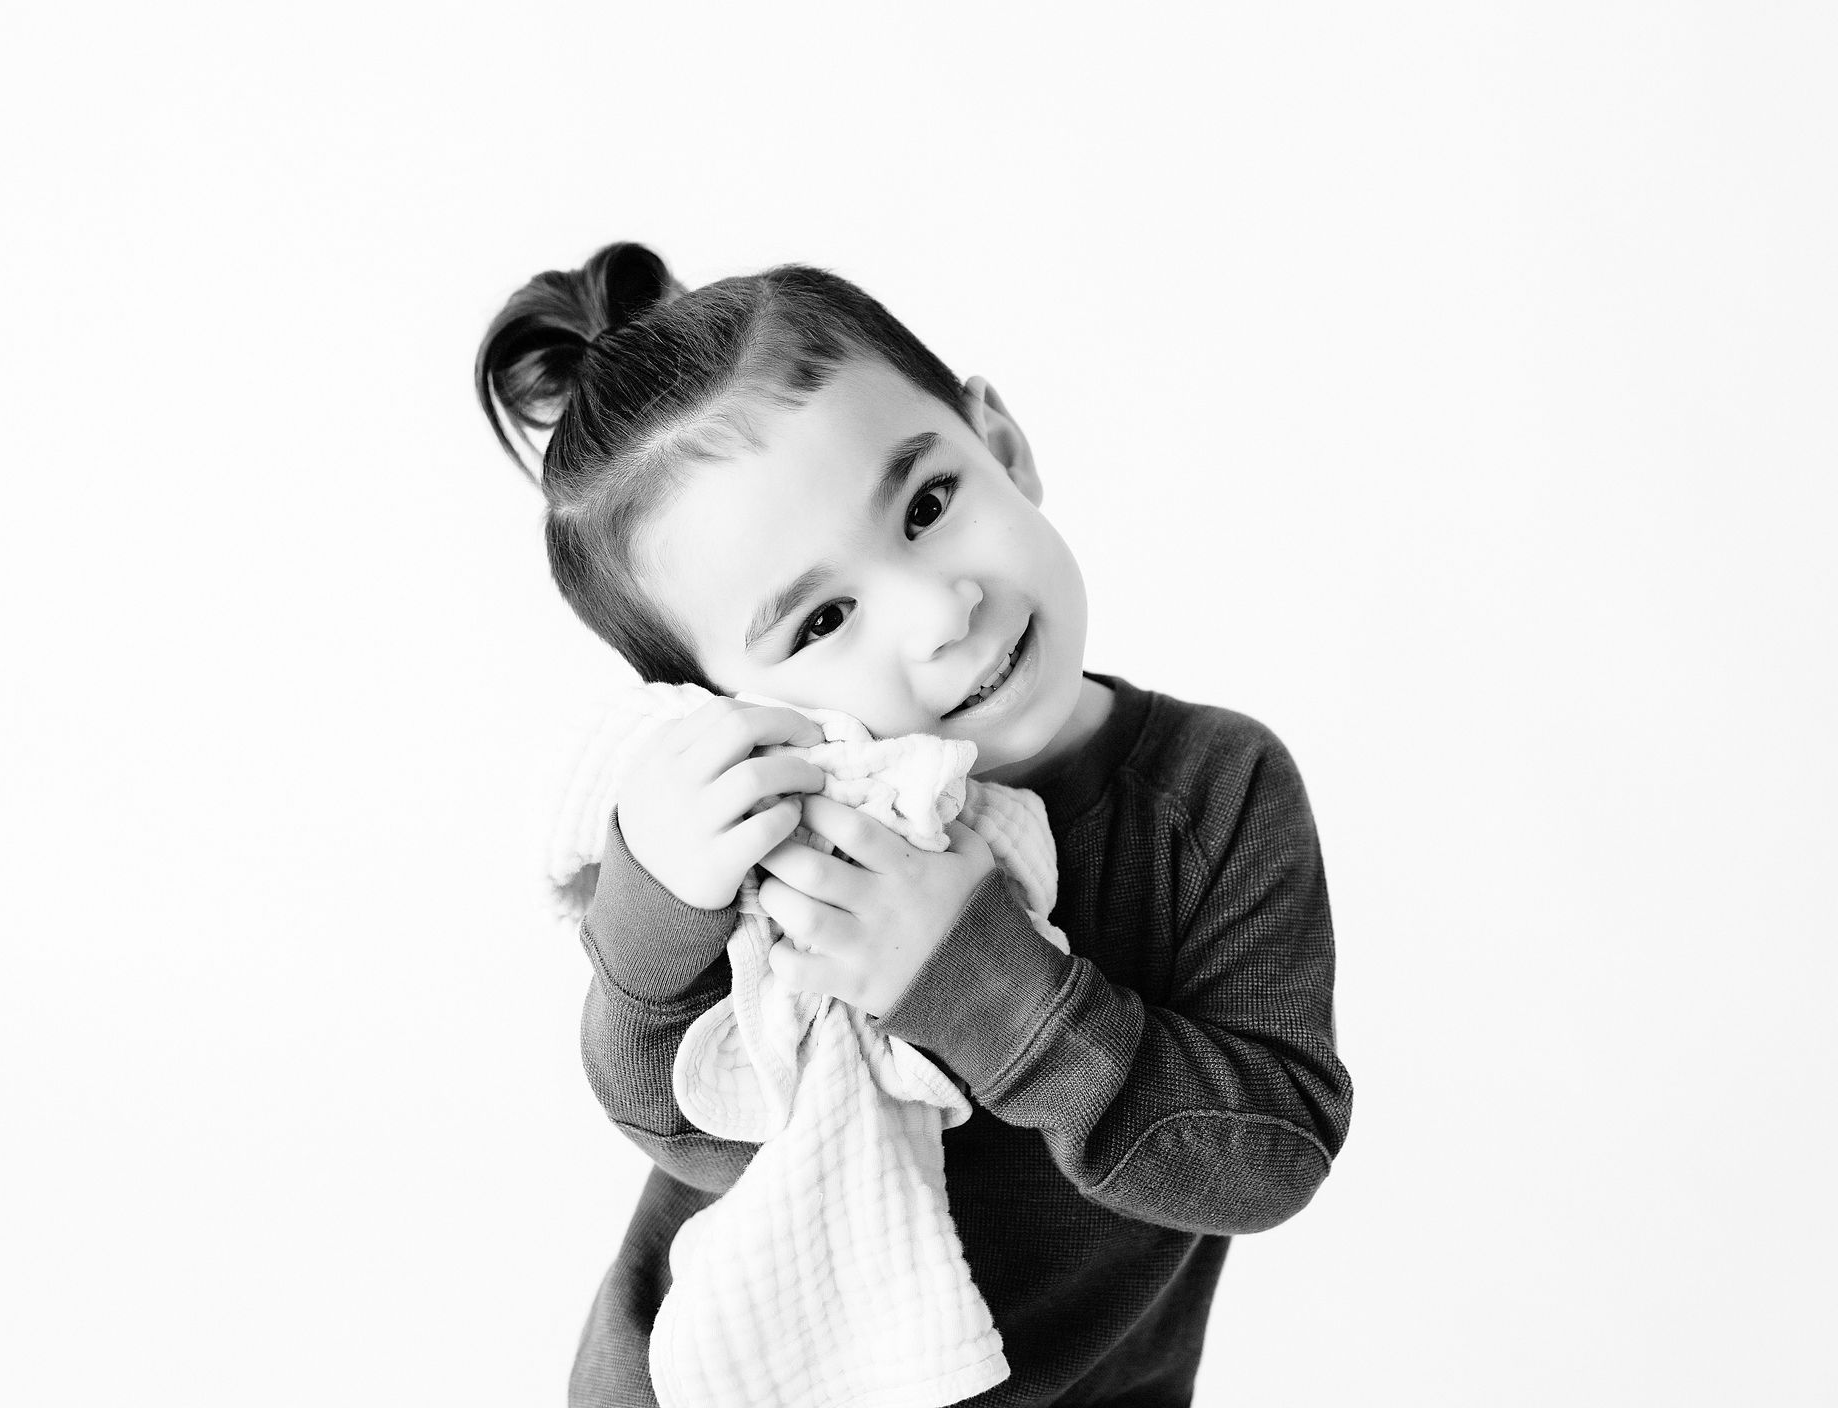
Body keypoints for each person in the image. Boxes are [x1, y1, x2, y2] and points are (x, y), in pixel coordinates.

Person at [475, 242, 1354, 1406]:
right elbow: (686, 1129)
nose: (942, 612)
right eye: (823, 619)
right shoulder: (778, 832)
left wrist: (985, 984)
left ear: (1002, 442)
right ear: (716, 701)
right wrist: (655, 906)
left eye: (929, 505)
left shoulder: (1215, 793)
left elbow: (1270, 1160)